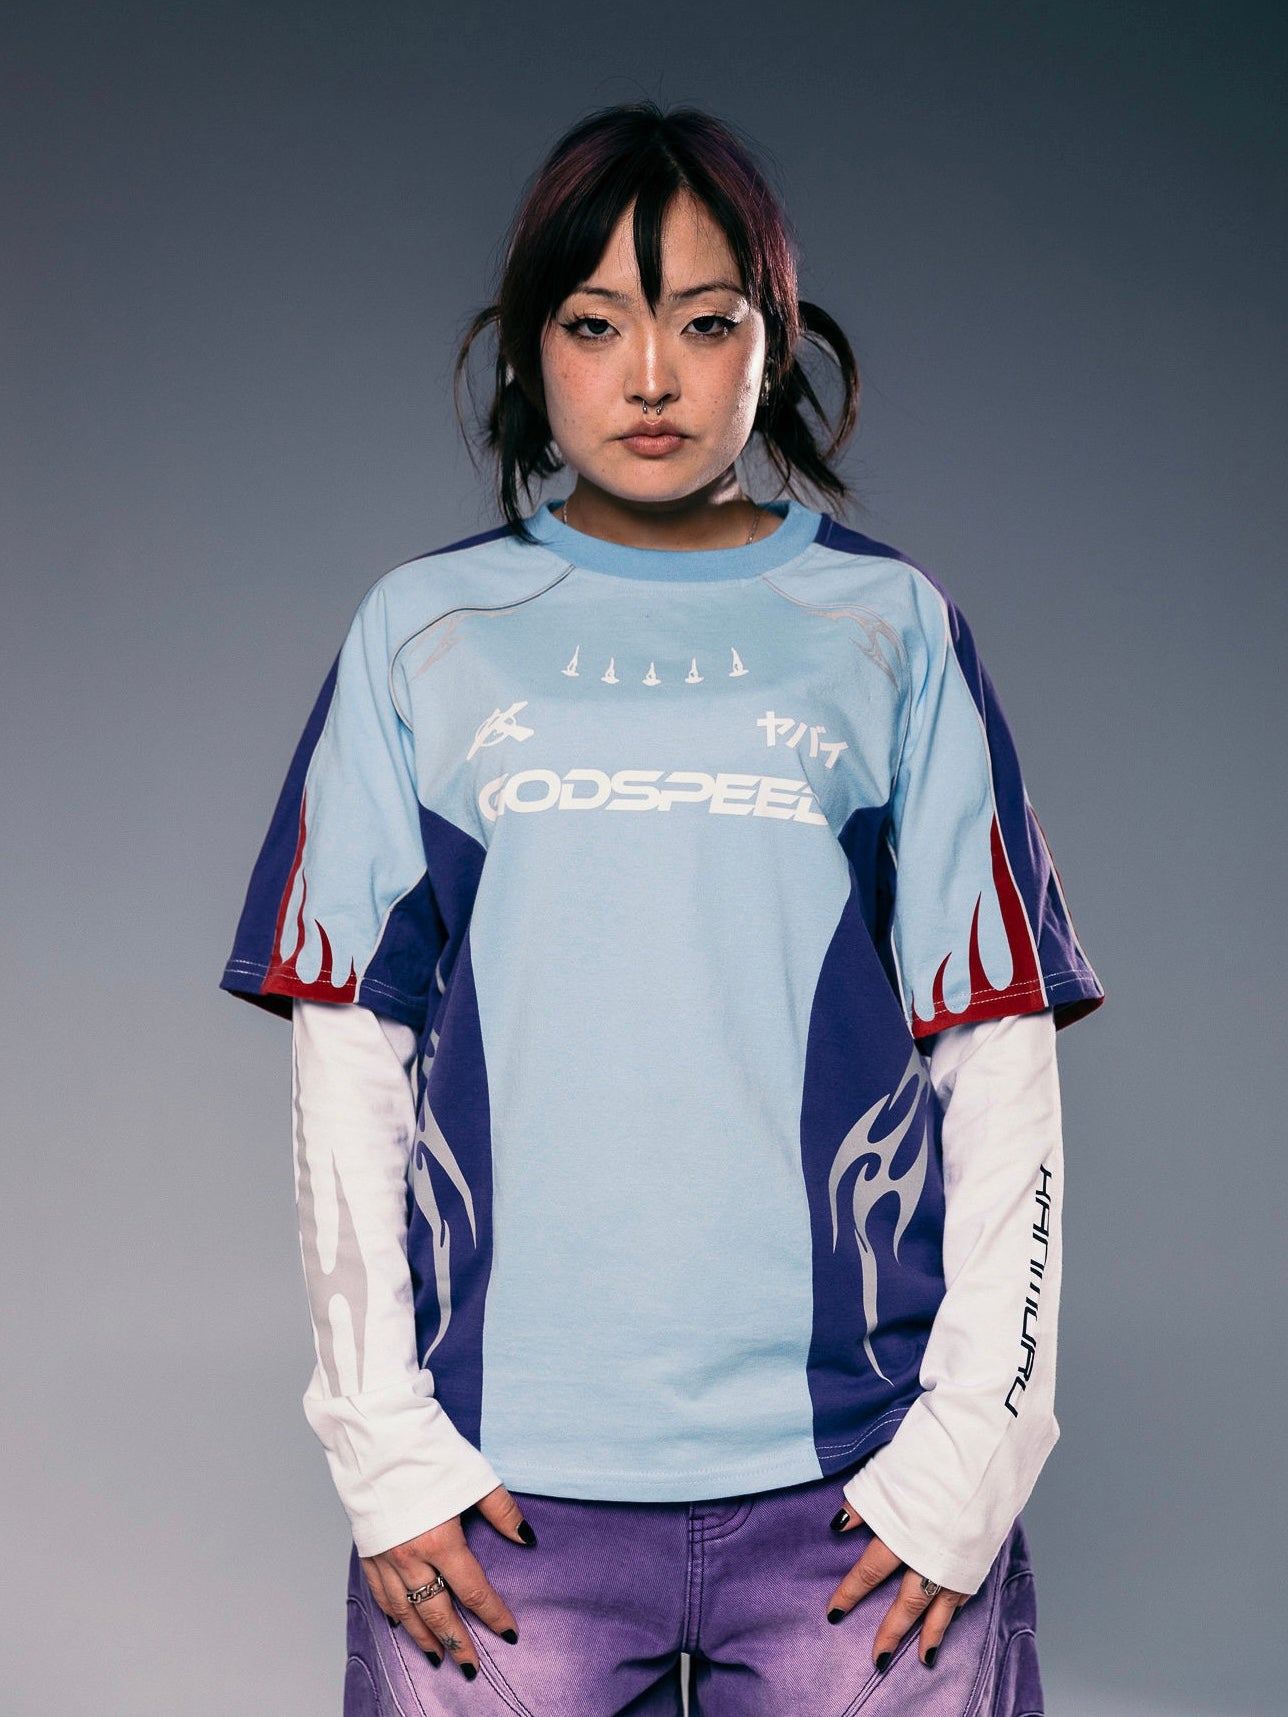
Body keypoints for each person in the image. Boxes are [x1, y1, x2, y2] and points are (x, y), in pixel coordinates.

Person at [220, 102, 1103, 1716]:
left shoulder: (891, 628)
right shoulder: (423, 633)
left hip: (861, 1485)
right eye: (594, 323)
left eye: (705, 323)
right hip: (498, 1495)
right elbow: (349, 1057)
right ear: (525, 347)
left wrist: (977, 1448)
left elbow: (999, 1053)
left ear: (775, 345)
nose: (650, 377)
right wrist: (382, 1444)